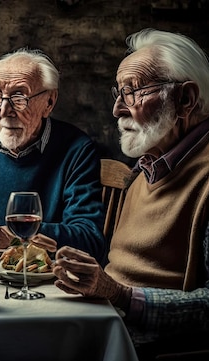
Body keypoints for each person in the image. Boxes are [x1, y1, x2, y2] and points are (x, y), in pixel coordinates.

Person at [53, 28, 209, 359]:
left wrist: (121, 296)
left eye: (133, 92)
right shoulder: (149, 165)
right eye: (118, 93)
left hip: (155, 349)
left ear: (185, 99)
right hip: (105, 324)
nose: (117, 110)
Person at [0, 48, 105, 260]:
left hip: (48, 278)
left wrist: (15, 236)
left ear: (49, 102)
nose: (5, 110)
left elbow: (89, 238)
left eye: (19, 97)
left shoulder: (77, 149)